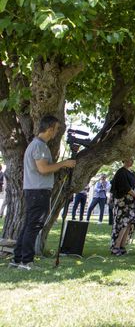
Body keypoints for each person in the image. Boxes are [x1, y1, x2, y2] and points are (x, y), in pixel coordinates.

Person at [11, 115, 76, 270]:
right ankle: (26, 262)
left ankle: (17, 259)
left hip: (34, 190)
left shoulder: (38, 145)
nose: (57, 132)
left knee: (29, 225)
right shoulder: (38, 146)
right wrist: (64, 163)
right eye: (57, 129)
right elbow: (43, 169)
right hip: (37, 191)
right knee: (33, 225)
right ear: (50, 128)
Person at [110, 158, 135, 256]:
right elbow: (125, 187)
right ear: (123, 160)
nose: (131, 161)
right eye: (129, 160)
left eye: (132, 160)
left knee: (129, 224)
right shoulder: (121, 172)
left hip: (132, 203)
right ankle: (116, 246)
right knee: (122, 224)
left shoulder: (133, 173)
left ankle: (122, 246)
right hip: (122, 203)